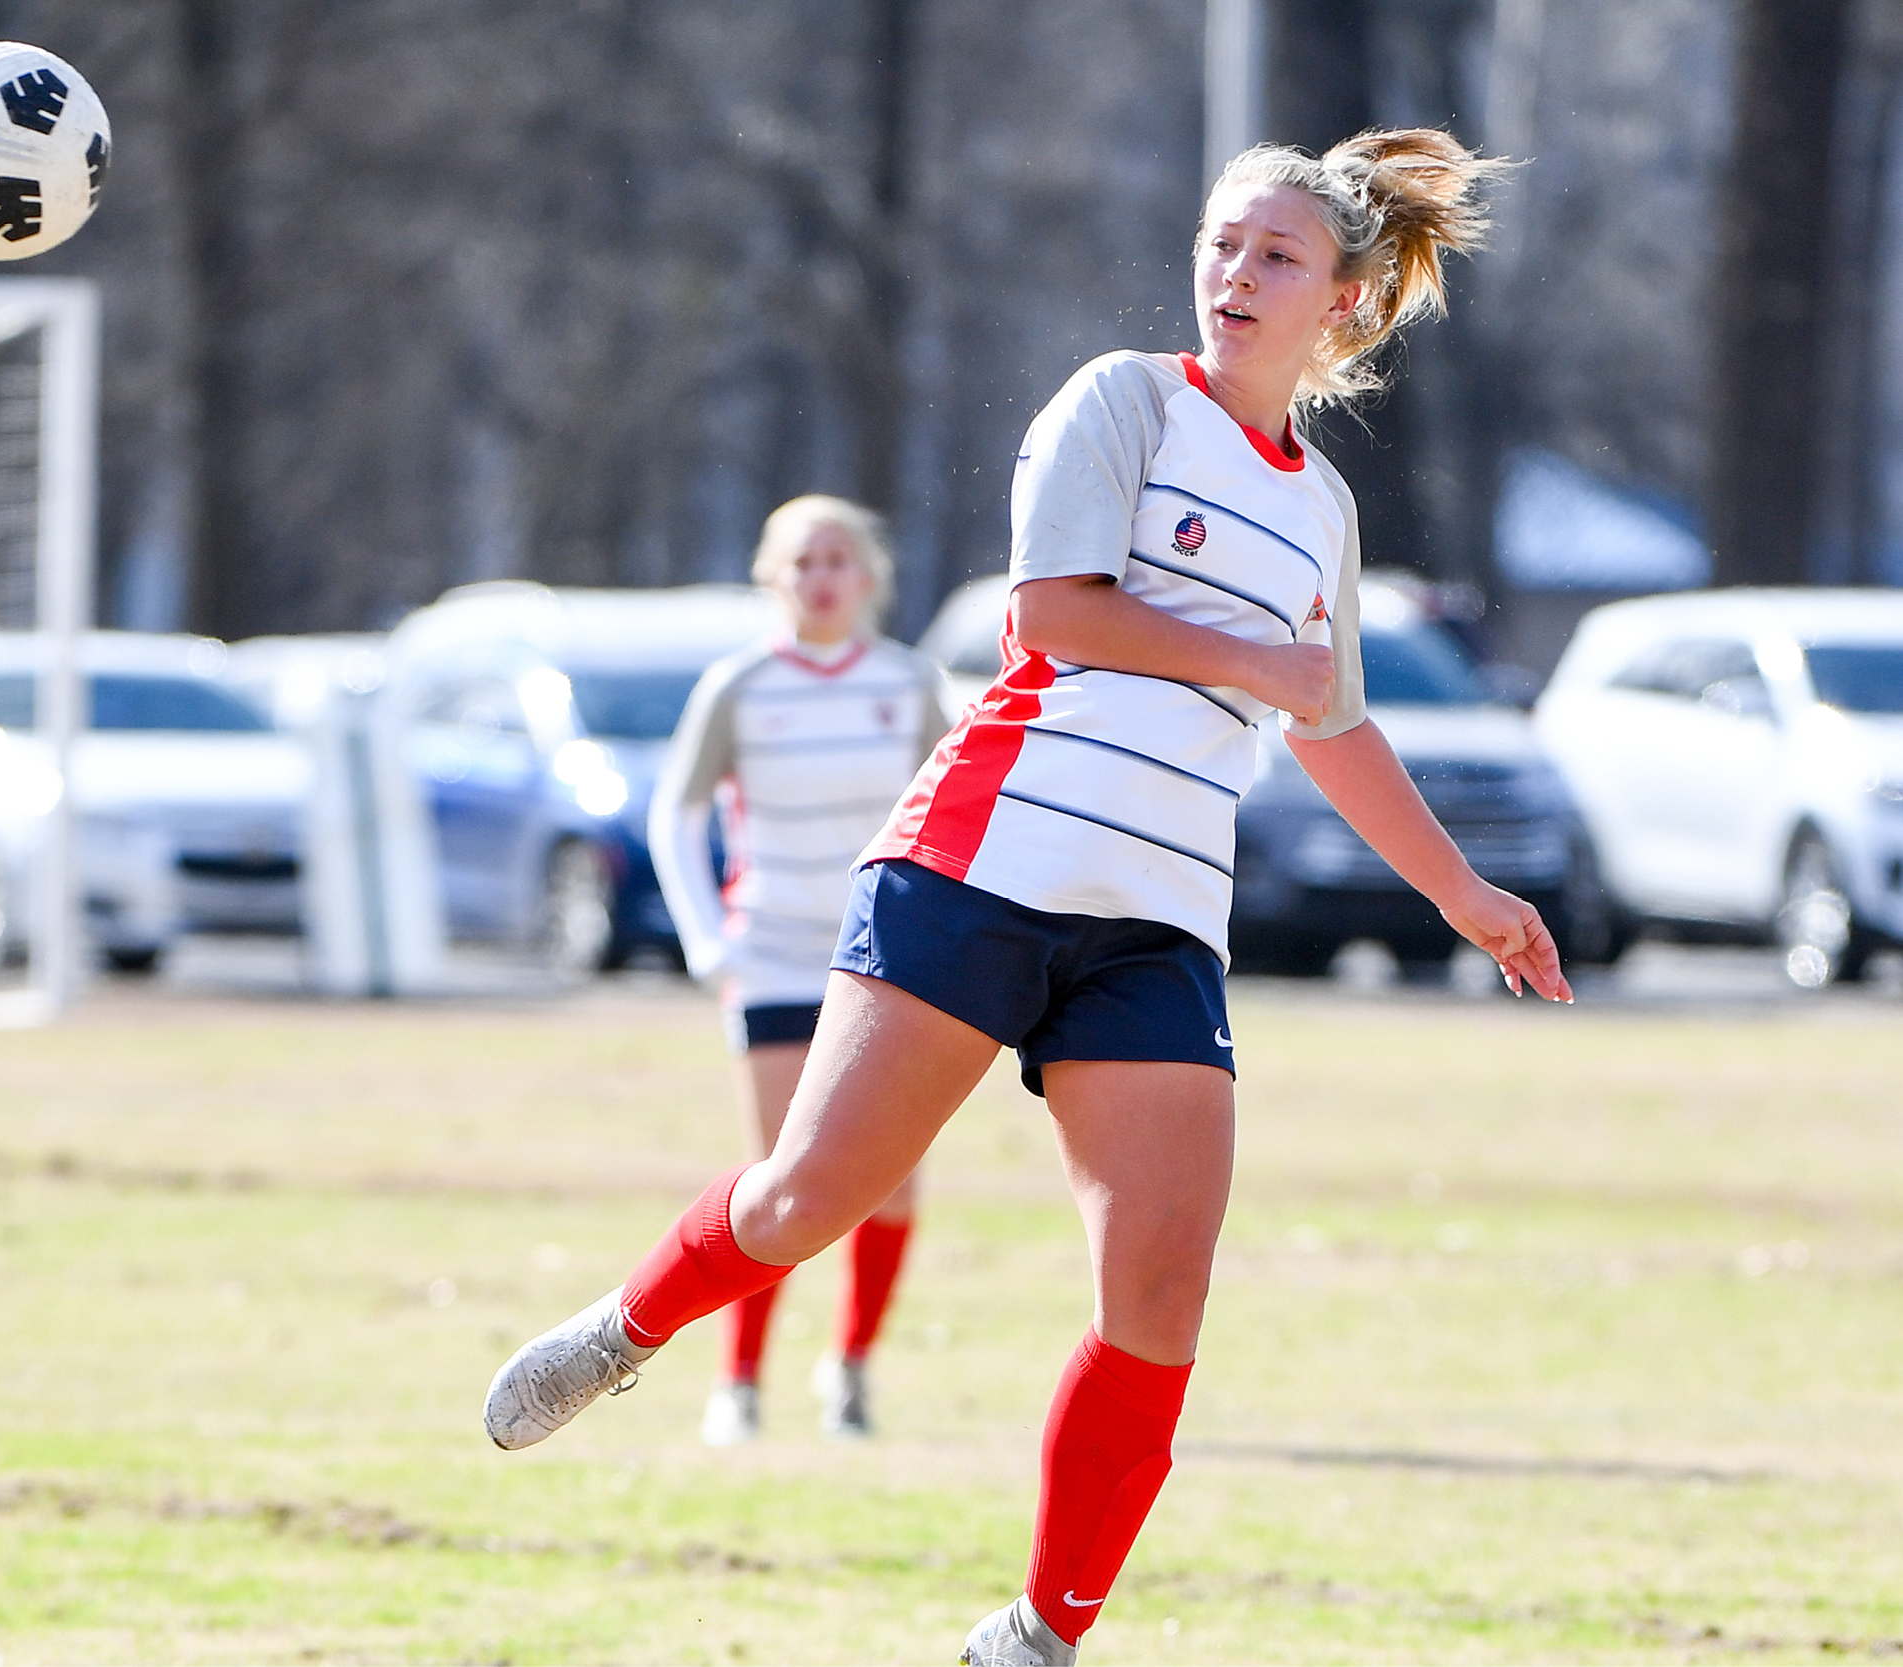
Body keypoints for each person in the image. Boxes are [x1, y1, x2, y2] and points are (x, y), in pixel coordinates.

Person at [485, 128, 1566, 1666]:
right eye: (1220, 242)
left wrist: (1466, 891)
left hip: (1159, 926)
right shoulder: (1121, 400)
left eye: (1275, 255)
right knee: (804, 1201)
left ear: (1339, 306)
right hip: (982, 864)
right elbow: (1051, 610)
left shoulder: (1319, 505)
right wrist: (1250, 659)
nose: (1235, 274)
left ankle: (1038, 1633)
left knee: (1162, 1297)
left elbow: (1336, 721)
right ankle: (627, 1327)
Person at [647, 494, 952, 1445]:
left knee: (890, 1180)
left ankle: (850, 1370)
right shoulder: (740, 686)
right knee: (779, 1180)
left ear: (869, 578)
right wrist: (709, 934)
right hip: (775, 954)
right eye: (801, 562)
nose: (821, 578)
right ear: (773, 578)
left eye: (837, 560)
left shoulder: (911, 685)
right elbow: (677, 813)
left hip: (883, 959)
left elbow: (960, 800)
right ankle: (737, 1384)